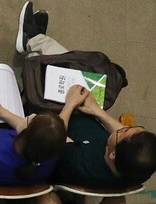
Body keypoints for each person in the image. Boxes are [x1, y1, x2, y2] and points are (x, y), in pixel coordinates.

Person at [16, 2, 156, 193]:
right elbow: (126, 138)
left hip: (55, 119)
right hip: (85, 113)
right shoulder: (139, 167)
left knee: (61, 70)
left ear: (112, 153)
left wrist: (70, 103)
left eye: (124, 132)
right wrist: (96, 110)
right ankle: (37, 41)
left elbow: (53, 136)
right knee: (83, 70)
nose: (123, 128)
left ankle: (33, 42)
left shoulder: (80, 163)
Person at [0, 92, 68, 186]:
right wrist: (2, 112)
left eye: (32, 120)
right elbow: (36, 133)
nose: (32, 114)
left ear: (25, 137)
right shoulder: (50, 156)